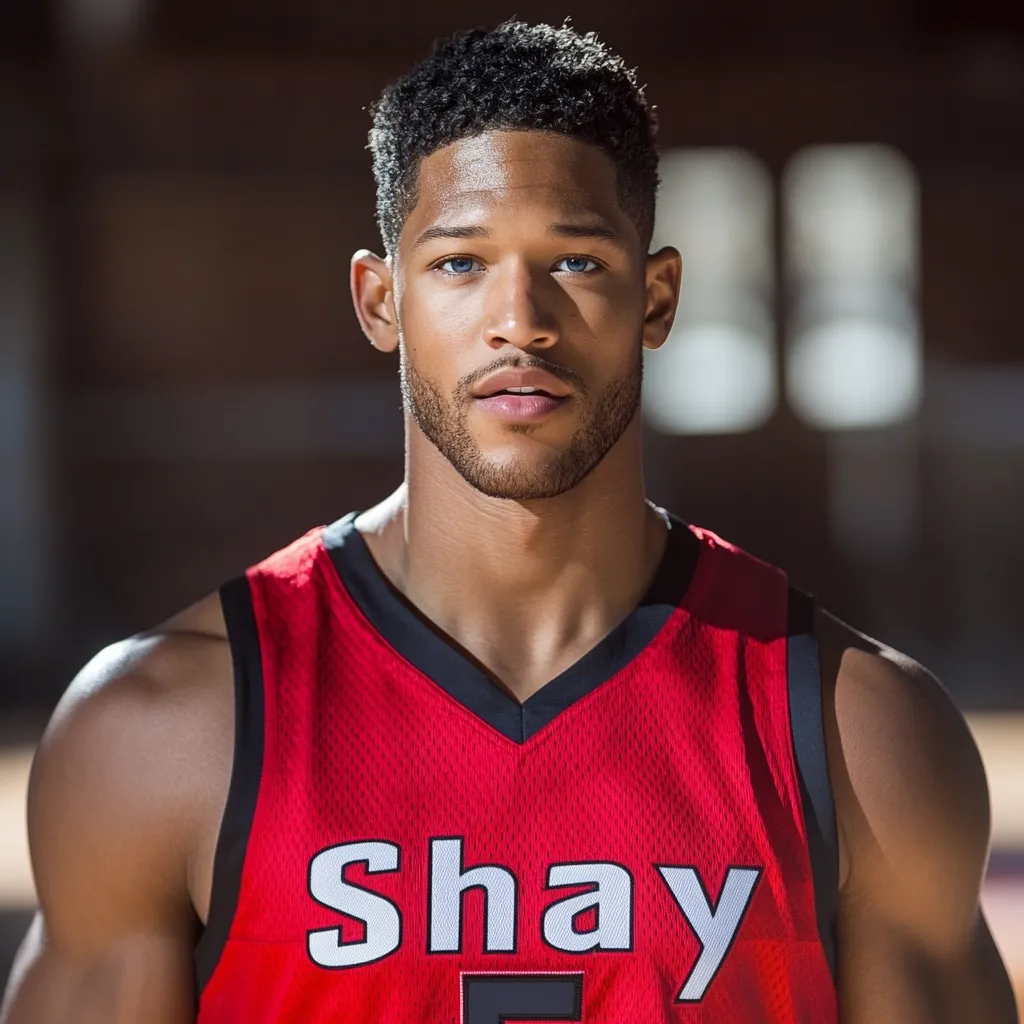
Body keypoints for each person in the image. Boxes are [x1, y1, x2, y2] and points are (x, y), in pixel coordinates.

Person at [1, 20, 1017, 1024]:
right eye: (458, 264)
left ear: (657, 297)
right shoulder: (162, 732)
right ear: (378, 299)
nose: (519, 318)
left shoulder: (858, 736)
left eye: (575, 262)